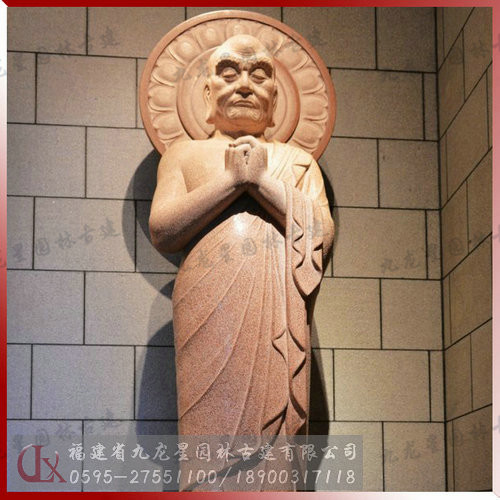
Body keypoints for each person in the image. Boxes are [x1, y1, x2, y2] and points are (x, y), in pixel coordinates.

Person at [149, 34, 334, 490]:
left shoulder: (297, 161)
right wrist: (232, 182)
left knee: (278, 447)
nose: (245, 85)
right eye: (229, 72)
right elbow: (163, 230)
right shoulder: (183, 155)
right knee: (209, 433)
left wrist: (263, 183)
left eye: (260, 74)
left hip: (278, 310)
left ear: (275, 99)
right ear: (207, 93)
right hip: (207, 308)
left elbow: (321, 233)